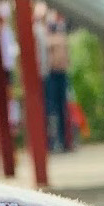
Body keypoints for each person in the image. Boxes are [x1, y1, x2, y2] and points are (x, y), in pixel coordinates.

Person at [43, 12, 72, 152]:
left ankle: (63, 140)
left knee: (62, 109)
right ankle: (53, 141)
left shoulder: (60, 37)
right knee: (52, 109)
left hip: (61, 73)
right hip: (51, 75)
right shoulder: (49, 39)